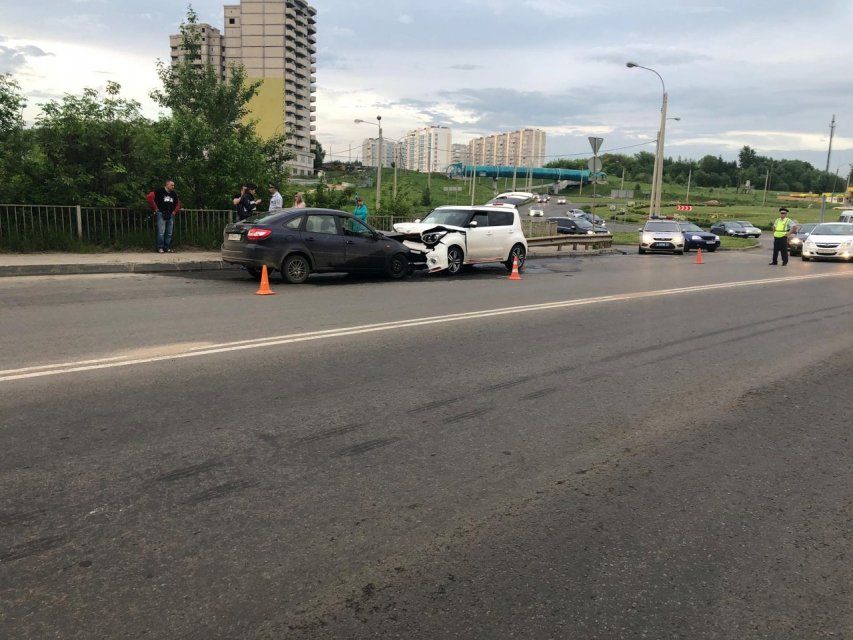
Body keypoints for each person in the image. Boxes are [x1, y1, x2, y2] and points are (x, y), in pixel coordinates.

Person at [153, 180, 179, 253]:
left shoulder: (173, 193)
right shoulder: (159, 191)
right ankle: (160, 247)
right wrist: (155, 208)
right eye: (172, 185)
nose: (173, 187)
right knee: (161, 232)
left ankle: (167, 247)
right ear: (167, 184)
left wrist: (174, 212)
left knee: (169, 232)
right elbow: (149, 197)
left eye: (173, 185)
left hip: (170, 214)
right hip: (161, 213)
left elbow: (178, 203)